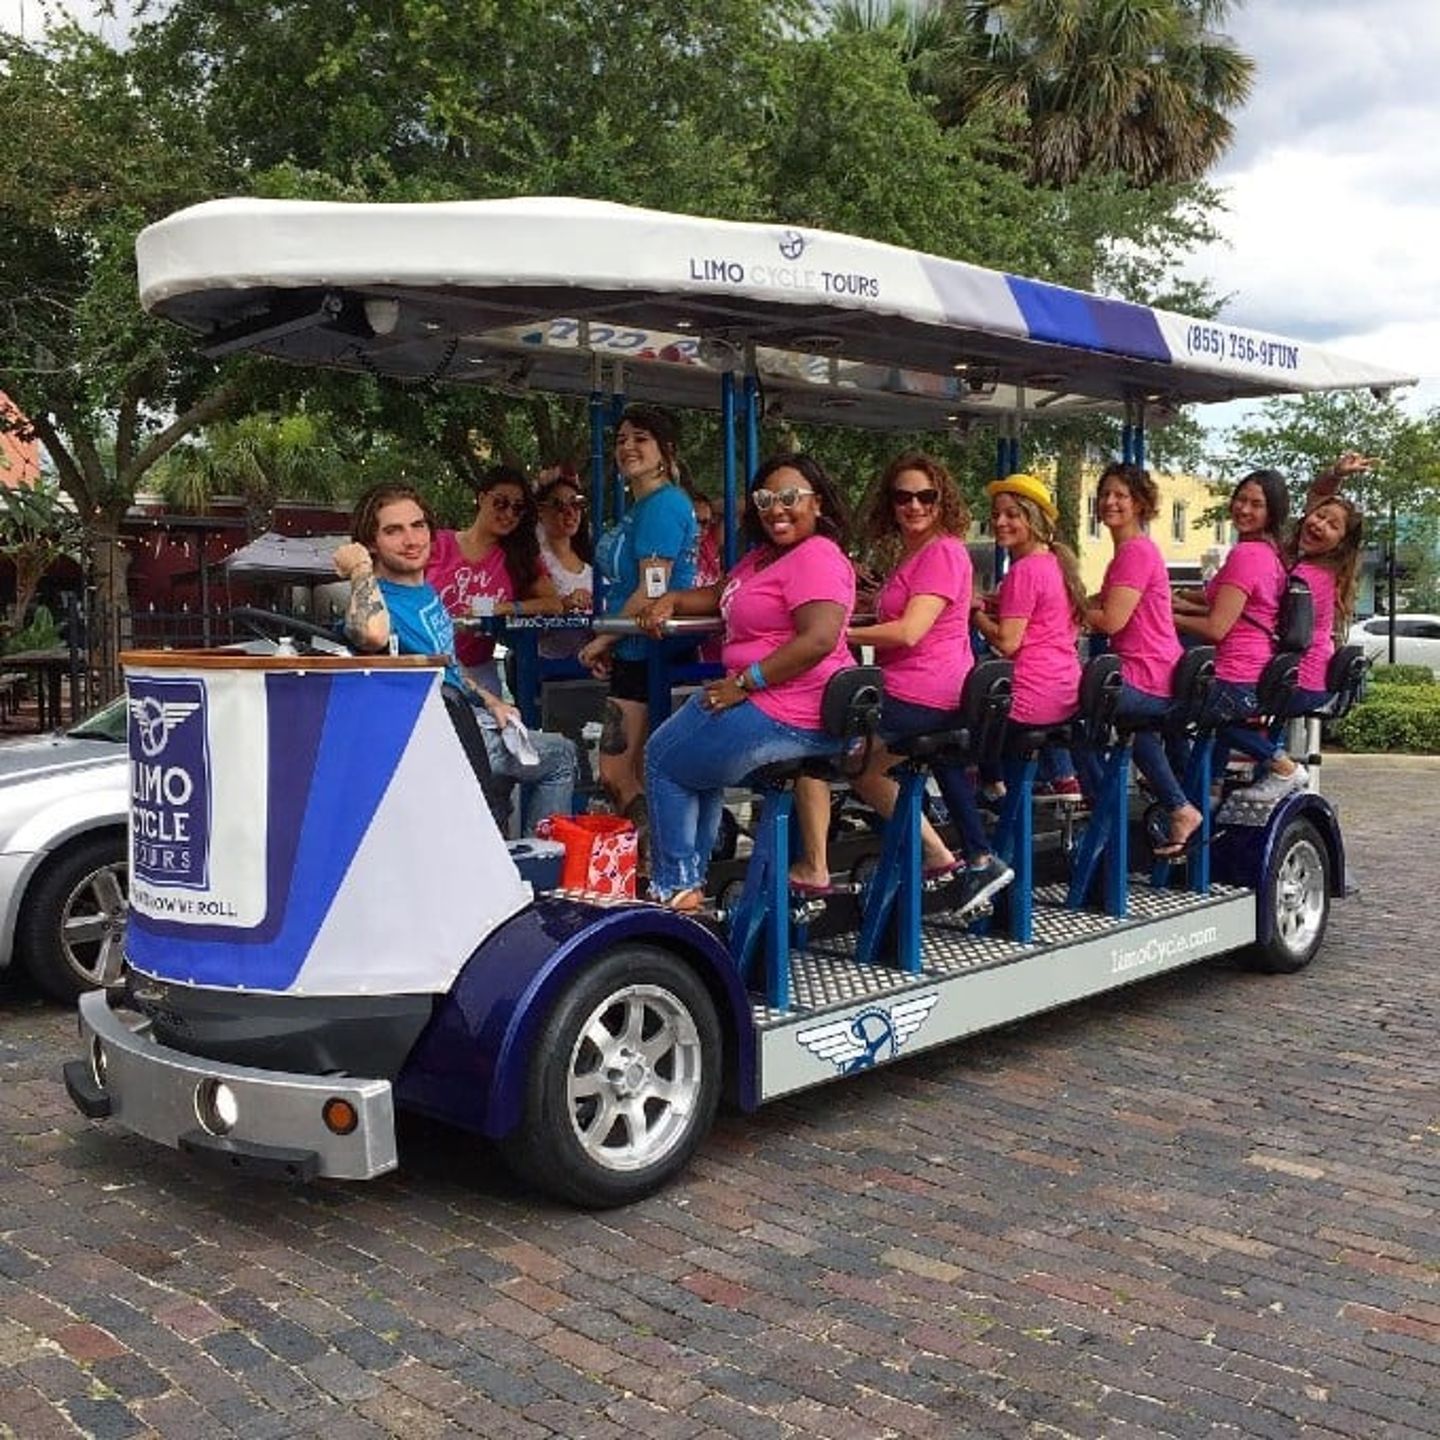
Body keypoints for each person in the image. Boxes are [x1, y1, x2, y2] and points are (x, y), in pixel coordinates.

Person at [790, 451, 1011, 915]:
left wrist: (834, 631)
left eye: (925, 496)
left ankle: (814, 867)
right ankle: (960, 857)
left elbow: (910, 630)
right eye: (903, 497)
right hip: (928, 689)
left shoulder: (942, 552)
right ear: (891, 503)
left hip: (922, 692)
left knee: (814, 747)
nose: (914, 505)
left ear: (942, 500)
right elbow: (900, 611)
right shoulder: (918, 553)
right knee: (864, 768)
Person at [637, 454, 856, 912]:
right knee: (693, 763)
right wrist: (674, 598)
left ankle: (675, 887)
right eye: (766, 499)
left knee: (662, 758)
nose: (777, 508)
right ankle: (687, 884)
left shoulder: (816, 555)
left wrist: (746, 681)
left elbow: (819, 638)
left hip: (789, 707)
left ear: (817, 503)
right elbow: (719, 597)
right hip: (774, 702)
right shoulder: (762, 559)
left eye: (790, 497)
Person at [336, 482, 577, 835]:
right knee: (562, 756)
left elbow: (447, 661)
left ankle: (510, 859)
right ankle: (537, 870)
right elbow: (371, 634)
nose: (411, 539)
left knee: (524, 755)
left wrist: (493, 700)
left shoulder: (423, 591)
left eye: (418, 526)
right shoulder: (377, 601)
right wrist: (360, 569)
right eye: (393, 531)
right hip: (438, 739)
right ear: (371, 543)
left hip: (465, 721)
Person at [578, 406, 699, 835]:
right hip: (633, 649)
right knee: (636, 771)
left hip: (647, 650)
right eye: (622, 439)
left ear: (665, 450)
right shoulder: (643, 505)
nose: (628, 447)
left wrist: (602, 639)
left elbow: (652, 588)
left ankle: (654, 858)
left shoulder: (662, 506)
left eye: (641, 438)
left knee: (615, 772)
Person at [1080, 462, 1203, 857]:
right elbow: (1102, 603)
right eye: (1106, 494)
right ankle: (1180, 808)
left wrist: (1061, 609)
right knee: (1139, 733)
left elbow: (1110, 619)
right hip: (1155, 671)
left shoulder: (1134, 552)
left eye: (1121, 495)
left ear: (1139, 504)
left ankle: (1098, 801)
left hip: (1146, 673)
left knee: (1068, 714)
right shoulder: (1129, 553)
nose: (1110, 502)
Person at [1242, 463, 1367, 800]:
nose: (1318, 524)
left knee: (1216, 712)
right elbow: (1318, 495)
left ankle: (1282, 767)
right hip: (1307, 676)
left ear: (1341, 542)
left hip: (1298, 679)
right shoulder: (1308, 563)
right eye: (1319, 516)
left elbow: (1272, 623)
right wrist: (1336, 474)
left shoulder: (1308, 576)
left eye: (1332, 525)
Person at [1172, 468, 1295, 793]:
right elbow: (1236, 608)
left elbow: (1216, 628)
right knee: (1216, 723)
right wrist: (1181, 603)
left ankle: (1280, 765)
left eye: (1256, 504)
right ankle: (1208, 791)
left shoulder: (1247, 554)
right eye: (1241, 499)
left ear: (1272, 512)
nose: (1244, 509)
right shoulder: (1270, 553)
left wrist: (1167, 618)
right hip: (1256, 671)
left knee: (1168, 715)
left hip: (1235, 673)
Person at [971, 474, 1086, 798]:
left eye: (1012, 514)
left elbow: (1007, 642)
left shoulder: (1024, 570)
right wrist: (990, 600)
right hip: (1065, 693)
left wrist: (973, 611)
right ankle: (1059, 776)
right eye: (996, 515)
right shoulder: (1054, 562)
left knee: (959, 704)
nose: (1000, 522)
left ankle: (993, 787)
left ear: (1033, 519)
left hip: (1031, 701)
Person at [534, 469, 594, 660]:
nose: (570, 512)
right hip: (548, 667)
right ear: (540, 511)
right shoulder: (534, 560)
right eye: (558, 505)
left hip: (593, 662)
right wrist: (564, 604)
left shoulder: (593, 560)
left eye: (576, 503)